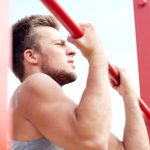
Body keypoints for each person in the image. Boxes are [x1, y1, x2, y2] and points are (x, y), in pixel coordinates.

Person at [10, 15, 149, 150]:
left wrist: (128, 93)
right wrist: (96, 53)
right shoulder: (33, 84)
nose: (72, 51)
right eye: (59, 44)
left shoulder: (65, 114)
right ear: (31, 56)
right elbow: (93, 142)